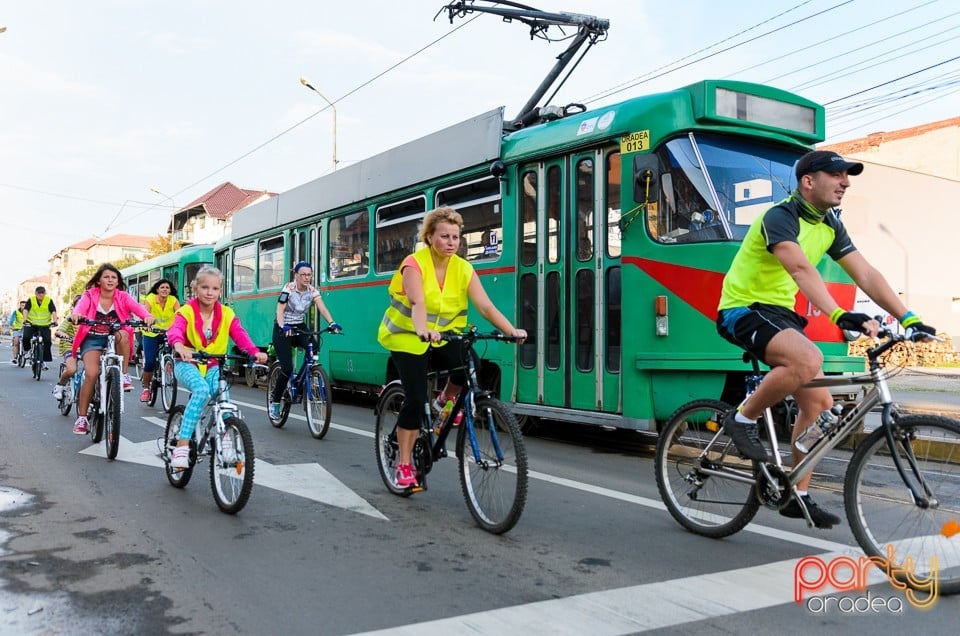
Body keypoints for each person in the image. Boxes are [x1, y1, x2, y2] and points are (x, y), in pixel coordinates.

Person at [715, 150, 936, 529]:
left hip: (781, 314)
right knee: (807, 360)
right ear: (808, 181)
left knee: (819, 405)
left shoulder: (830, 224)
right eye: (837, 175)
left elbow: (865, 273)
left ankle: (795, 495)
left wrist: (909, 317)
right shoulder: (779, 217)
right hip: (743, 308)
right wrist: (837, 314)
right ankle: (742, 418)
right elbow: (799, 268)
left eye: (847, 176)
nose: (845, 182)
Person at [377, 207, 527, 487]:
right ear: (430, 237)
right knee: (414, 397)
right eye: (444, 236)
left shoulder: (463, 268)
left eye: (456, 237)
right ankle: (405, 464)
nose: (451, 242)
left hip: (444, 335)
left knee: (470, 364)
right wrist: (422, 329)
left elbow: (485, 306)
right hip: (407, 336)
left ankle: (444, 402)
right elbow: (418, 303)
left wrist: (511, 331)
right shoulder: (414, 264)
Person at [167, 266, 267, 469]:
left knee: (224, 397)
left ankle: (227, 442)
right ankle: (183, 445)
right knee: (202, 390)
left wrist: (253, 351)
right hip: (187, 363)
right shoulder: (186, 311)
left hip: (213, 365)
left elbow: (240, 335)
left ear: (220, 291)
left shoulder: (227, 314)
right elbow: (175, 331)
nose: (209, 292)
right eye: (204, 287)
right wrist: (179, 346)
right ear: (195, 288)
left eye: (214, 288)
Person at [70, 264, 156, 435]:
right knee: (92, 374)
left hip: (114, 337)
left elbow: (137, 308)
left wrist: (147, 316)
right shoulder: (90, 295)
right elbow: (80, 307)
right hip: (92, 338)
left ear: (118, 281)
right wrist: (77, 314)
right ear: (99, 280)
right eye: (106, 277)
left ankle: (123, 375)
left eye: (114, 277)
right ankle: (82, 417)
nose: (110, 280)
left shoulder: (123, 296)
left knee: (124, 334)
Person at [267, 261, 341, 419]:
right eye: (304, 275)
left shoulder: (312, 291)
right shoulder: (289, 289)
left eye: (309, 275)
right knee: (286, 368)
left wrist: (332, 323)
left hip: (299, 326)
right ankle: (275, 402)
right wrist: (282, 326)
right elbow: (279, 309)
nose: (307, 278)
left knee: (313, 346)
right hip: (283, 328)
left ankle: (307, 375)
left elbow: (322, 307)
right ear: (296, 276)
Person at [139, 279, 181, 402]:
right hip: (151, 333)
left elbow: (180, 314)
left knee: (172, 355)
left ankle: (168, 366)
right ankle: (146, 389)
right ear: (157, 289)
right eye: (162, 287)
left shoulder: (173, 300)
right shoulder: (151, 298)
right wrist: (147, 318)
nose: (165, 290)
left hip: (167, 333)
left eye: (167, 288)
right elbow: (145, 312)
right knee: (150, 362)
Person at [52, 295, 82, 401]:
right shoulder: (70, 318)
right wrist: (66, 336)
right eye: (79, 305)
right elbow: (59, 331)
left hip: (85, 347)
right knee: (71, 369)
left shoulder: (91, 319)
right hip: (70, 345)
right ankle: (59, 386)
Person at [22, 286, 58, 369]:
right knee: (26, 337)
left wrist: (55, 321)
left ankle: (43, 360)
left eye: (43, 294)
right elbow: (25, 310)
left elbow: (53, 311)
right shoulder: (31, 300)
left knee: (48, 341)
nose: (41, 296)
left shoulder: (48, 300)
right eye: (39, 294)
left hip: (45, 325)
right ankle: (27, 351)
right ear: (36, 294)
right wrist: (25, 320)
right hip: (32, 324)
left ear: (45, 293)